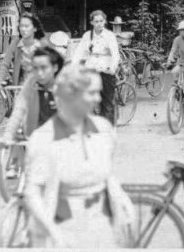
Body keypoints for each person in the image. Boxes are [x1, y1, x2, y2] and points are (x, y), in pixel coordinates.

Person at [23, 64, 135, 248]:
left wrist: (123, 200)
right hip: (64, 231)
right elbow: (33, 193)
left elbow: (108, 174)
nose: (99, 98)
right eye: (92, 92)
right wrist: (52, 231)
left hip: (101, 228)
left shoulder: (104, 130)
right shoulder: (44, 138)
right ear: (71, 95)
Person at [0, 47, 65, 177]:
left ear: (55, 67)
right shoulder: (30, 84)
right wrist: (7, 136)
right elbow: (19, 111)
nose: (39, 73)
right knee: (19, 134)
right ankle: (16, 164)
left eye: (44, 68)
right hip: (34, 134)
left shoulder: (65, 86)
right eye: (35, 68)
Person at [74, 10, 121, 124]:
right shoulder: (87, 36)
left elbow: (115, 54)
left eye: (101, 21)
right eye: (96, 21)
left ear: (104, 21)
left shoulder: (109, 36)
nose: (99, 24)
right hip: (91, 69)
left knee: (107, 102)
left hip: (105, 69)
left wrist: (112, 68)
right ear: (92, 23)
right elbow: (79, 52)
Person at [0, 13, 48, 87]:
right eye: (21, 26)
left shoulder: (42, 44)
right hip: (20, 89)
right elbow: (5, 64)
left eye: (27, 26)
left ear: (35, 28)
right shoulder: (16, 43)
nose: (23, 29)